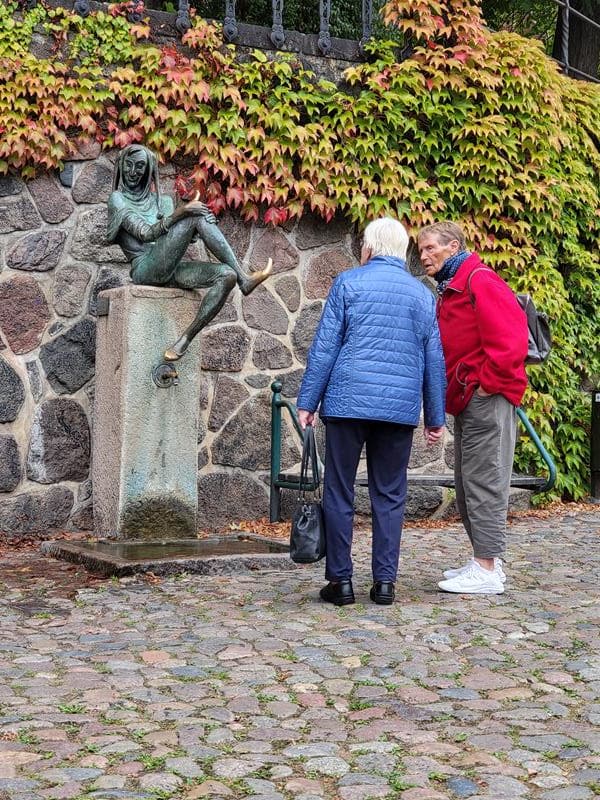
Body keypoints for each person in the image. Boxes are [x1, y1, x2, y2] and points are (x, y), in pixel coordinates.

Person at [296, 217, 446, 606]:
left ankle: (341, 583)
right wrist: (435, 417)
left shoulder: (348, 283)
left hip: (347, 403)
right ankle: (384, 585)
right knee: (391, 494)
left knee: (339, 489)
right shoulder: (422, 295)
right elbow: (433, 359)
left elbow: (326, 346)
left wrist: (308, 402)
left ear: (369, 248)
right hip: (397, 409)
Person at [417, 221, 528, 595]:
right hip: (471, 397)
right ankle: (484, 559)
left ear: (453, 246)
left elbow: (511, 341)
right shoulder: (455, 286)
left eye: (431, 248)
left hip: (486, 398)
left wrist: (485, 386)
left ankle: (488, 567)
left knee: (484, 482)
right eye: (420, 250)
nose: (424, 256)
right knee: (468, 484)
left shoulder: (479, 280)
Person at [107, 144, 272, 362]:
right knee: (194, 215)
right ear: (121, 165)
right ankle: (245, 278)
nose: (133, 172)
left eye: (140, 167)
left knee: (226, 275)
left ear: (147, 171)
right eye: (128, 165)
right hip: (144, 269)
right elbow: (146, 233)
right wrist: (185, 213)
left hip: (169, 267)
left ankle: (185, 339)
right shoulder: (117, 199)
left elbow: (171, 241)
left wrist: (201, 226)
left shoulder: (162, 202)